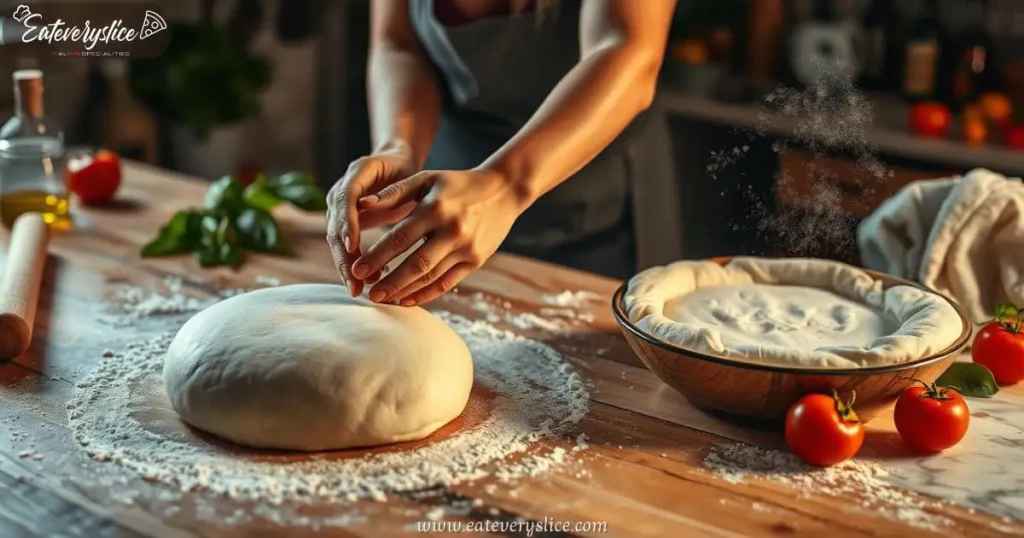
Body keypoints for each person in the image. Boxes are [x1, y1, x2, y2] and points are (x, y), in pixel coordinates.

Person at [326, 0, 683, 307]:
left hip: (597, 198)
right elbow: (399, 43)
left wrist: (504, 183)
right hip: (452, 195)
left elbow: (626, 49)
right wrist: (399, 146)